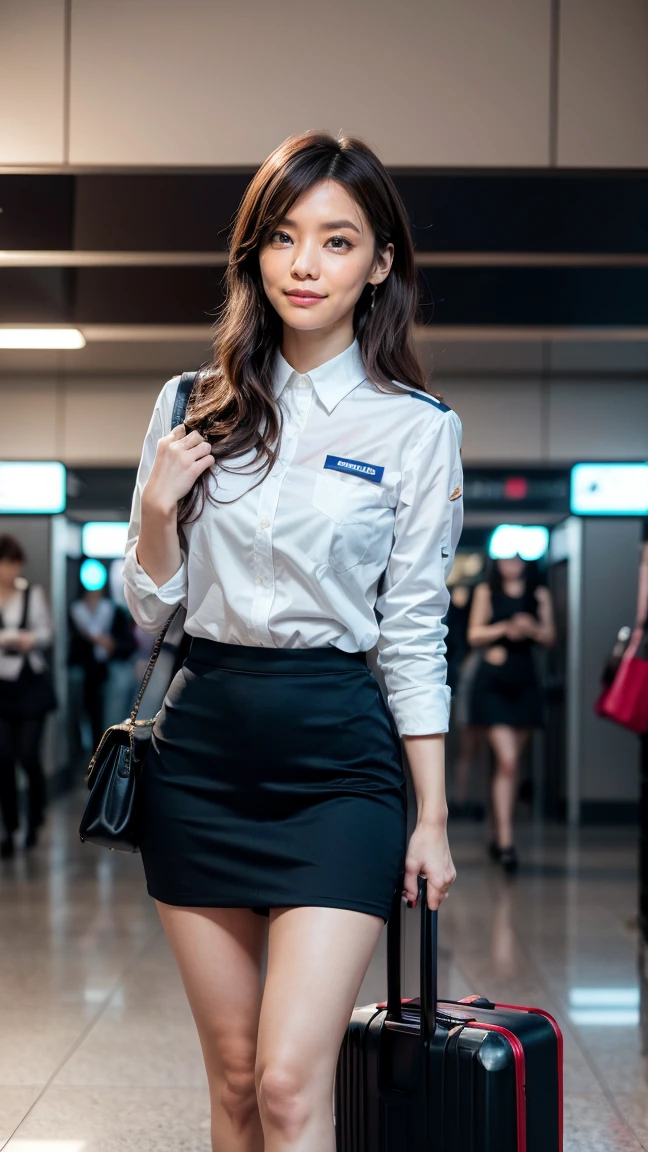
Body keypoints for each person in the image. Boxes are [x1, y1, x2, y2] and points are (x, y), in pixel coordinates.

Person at [122, 130, 463, 1152]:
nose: (305, 264)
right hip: (203, 755)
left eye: (337, 240)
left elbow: (412, 630)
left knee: (286, 1083)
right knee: (231, 1080)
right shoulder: (191, 405)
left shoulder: (415, 427)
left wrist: (434, 817)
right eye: (283, 237)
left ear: (380, 262)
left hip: (340, 763)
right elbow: (151, 612)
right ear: (255, 254)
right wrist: (152, 513)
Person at [467, 554, 556, 873]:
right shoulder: (486, 592)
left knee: (509, 766)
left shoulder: (539, 593)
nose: (512, 564)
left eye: (518, 559)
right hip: (493, 684)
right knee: (507, 761)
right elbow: (473, 635)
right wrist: (505, 626)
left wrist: (530, 629)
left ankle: (497, 829)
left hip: (525, 683)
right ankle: (506, 843)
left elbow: (550, 637)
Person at [0, 534, 56, 858]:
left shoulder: (30, 594)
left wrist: (27, 639)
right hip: (1, 689)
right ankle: (10, 828)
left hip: (29, 686)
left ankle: (35, 815)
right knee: (3, 759)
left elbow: (46, 633)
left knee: (28, 755)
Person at [69, 578, 137, 749]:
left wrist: (113, 645)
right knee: (87, 718)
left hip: (111, 673)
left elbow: (129, 644)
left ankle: (108, 759)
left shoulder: (114, 611)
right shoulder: (76, 611)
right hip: (86, 674)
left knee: (111, 720)